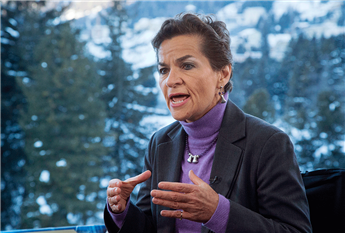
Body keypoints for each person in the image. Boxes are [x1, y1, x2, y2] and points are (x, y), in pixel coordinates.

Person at [104, 13, 312, 233]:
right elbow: (150, 228)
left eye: (187, 66)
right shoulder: (159, 142)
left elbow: (296, 231)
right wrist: (122, 211)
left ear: (223, 74)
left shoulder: (268, 143)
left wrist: (219, 212)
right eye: (163, 70)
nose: (171, 80)